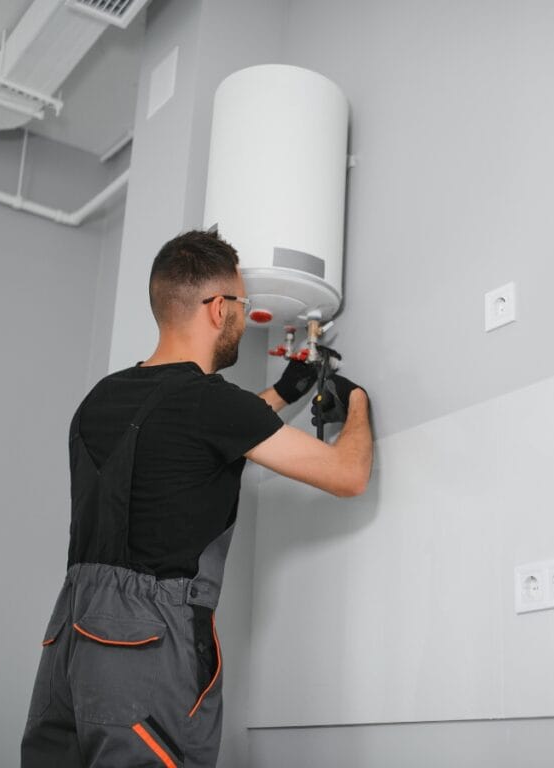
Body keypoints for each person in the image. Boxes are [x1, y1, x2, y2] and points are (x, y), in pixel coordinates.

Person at [20, 230, 372, 768]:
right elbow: (349, 474)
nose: (243, 314)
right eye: (241, 303)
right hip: (145, 648)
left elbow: (190, 440)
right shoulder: (211, 404)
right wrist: (358, 401)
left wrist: (284, 391)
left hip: (69, 640)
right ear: (216, 308)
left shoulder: (101, 398)